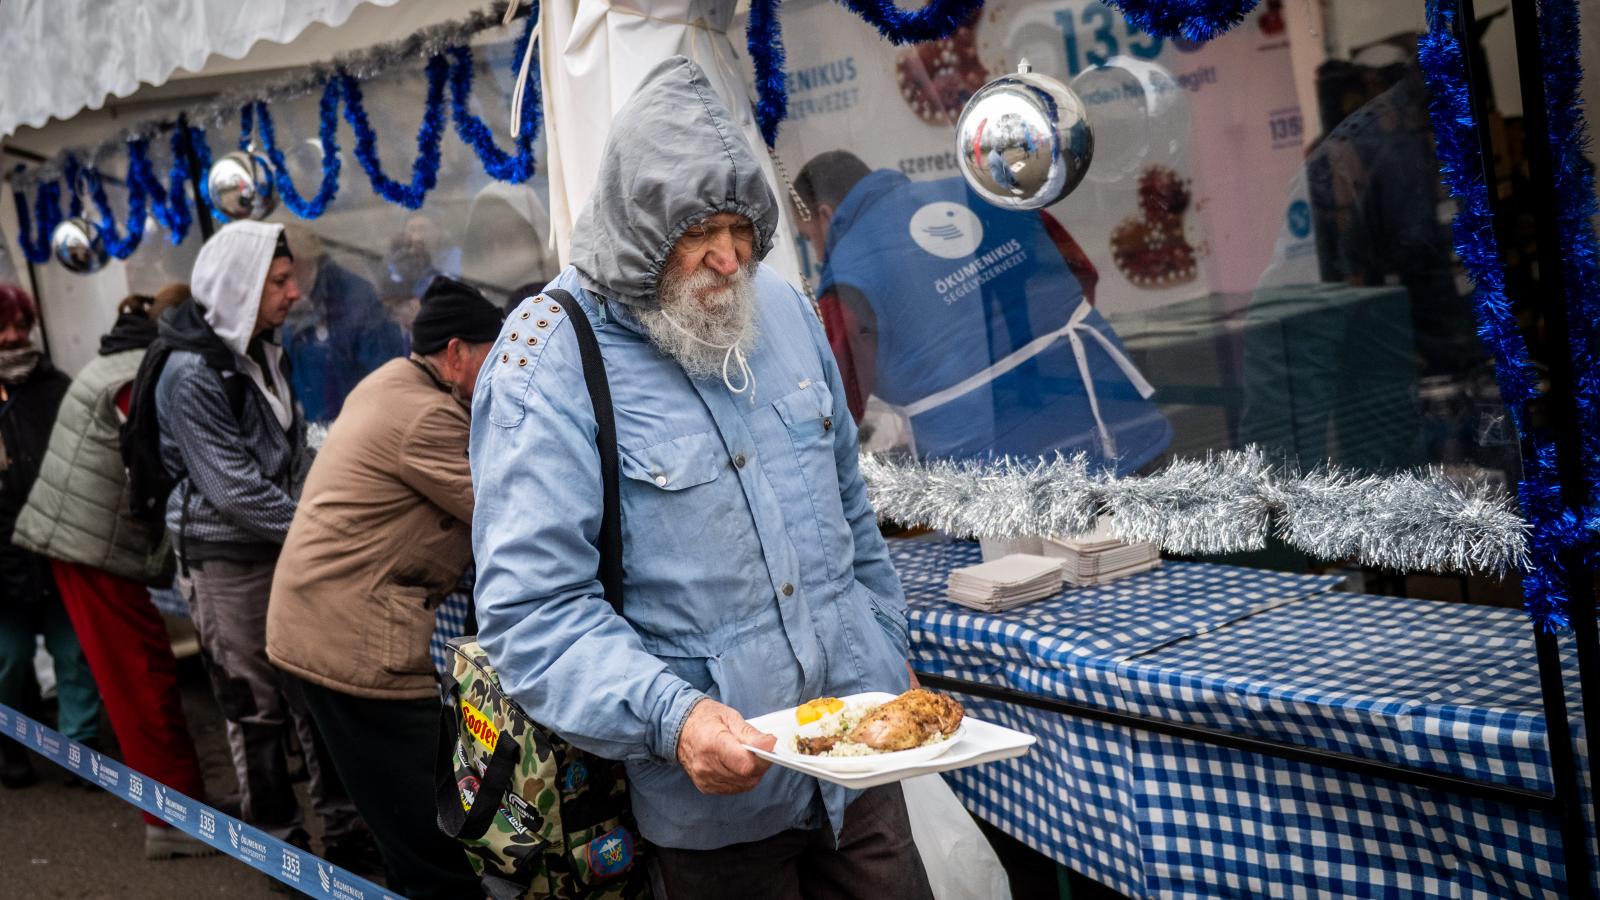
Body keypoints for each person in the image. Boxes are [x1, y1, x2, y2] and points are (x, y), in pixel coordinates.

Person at [471, 57, 933, 899]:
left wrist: (883, 644)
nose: (729, 260)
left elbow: (850, 512)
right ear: (637, 226)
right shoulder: (550, 359)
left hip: (857, 775)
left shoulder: (785, 309)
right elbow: (533, 612)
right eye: (697, 235)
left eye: (743, 230)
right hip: (711, 814)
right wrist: (673, 721)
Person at [267, 275, 500, 900]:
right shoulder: (426, 417)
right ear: (454, 354)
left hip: (320, 621)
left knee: (400, 812)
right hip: (352, 640)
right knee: (430, 823)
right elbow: (507, 513)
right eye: (494, 352)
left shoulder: (394, 381)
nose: (506, 367)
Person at [153, 222, 367, 866]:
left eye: (291, 277)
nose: (294, 292)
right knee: (255, 708)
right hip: (226, 563)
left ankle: (346, 833)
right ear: (241, 286)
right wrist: (321, 528)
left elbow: (290, 451)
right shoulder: (190, 373)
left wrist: (318, 501)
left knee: (311, 691)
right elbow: (234, 489)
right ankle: (277, 844)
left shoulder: (264, 349)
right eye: (278, 281)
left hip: (279, 550)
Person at [791, 150, 1171, 471]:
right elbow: (1080, 274)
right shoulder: (984, 194)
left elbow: (842, 397)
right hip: (1112, 415)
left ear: (826, 215)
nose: (819, 254)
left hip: (997, 467)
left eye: (810, 239)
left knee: (1041, 562)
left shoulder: (848, 273)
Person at [11, 285, 215, 858]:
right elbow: (164, 457)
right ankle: (174, 820)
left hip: (83, 542)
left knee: (135, 675)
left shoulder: (119, 358)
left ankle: (175, 811)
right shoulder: (143, 372)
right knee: (141, 679)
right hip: (92, 546)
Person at [0, 284, 103, 789]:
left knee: (74, 652)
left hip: (57, 552)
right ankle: (10, 743)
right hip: (2, 561)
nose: (14, 338)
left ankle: (78, 748)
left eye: (21, 326)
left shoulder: (54, 385)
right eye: (4, 328)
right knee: (9, 659)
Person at [279, 225, 405, 424]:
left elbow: (387, 379)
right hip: (313, 422)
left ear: (300, 260)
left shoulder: (354, 300)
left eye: (283, 274)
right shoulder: (292, 299)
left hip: (359, 425)